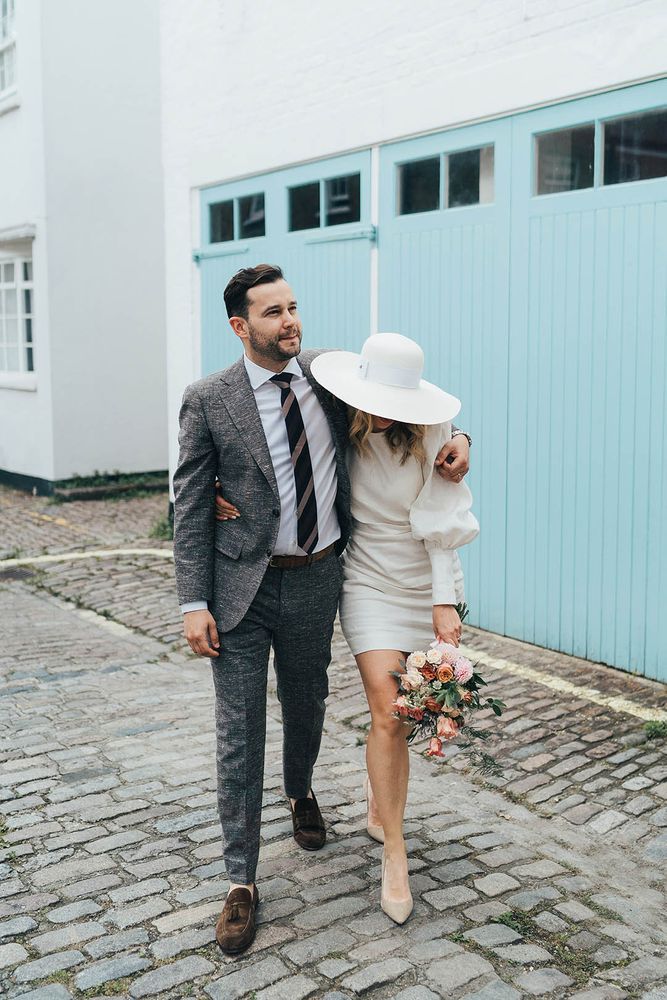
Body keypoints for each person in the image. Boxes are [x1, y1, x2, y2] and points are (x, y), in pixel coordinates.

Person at [174, 264, 471, 954]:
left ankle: (300, 791)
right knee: (239, 729)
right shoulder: (208, 399)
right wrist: (193, 600)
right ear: (239, 325)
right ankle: (240, 881)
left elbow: (418, 414)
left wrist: (464, 442)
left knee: (306, 704)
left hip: (318, 581)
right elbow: (188, 502)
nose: (290, 322)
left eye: (293, 307)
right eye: (273, 313)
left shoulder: (330, 377)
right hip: (239, 590)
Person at [309, 333, 479, 923]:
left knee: (408, 717)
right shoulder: (334, 414)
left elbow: (439, 521)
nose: (383, 412)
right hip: (367, 586)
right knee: (389, 712)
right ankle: (396, 855)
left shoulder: (433, 433)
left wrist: (443, 602)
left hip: (426, 583)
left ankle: (381, 803)